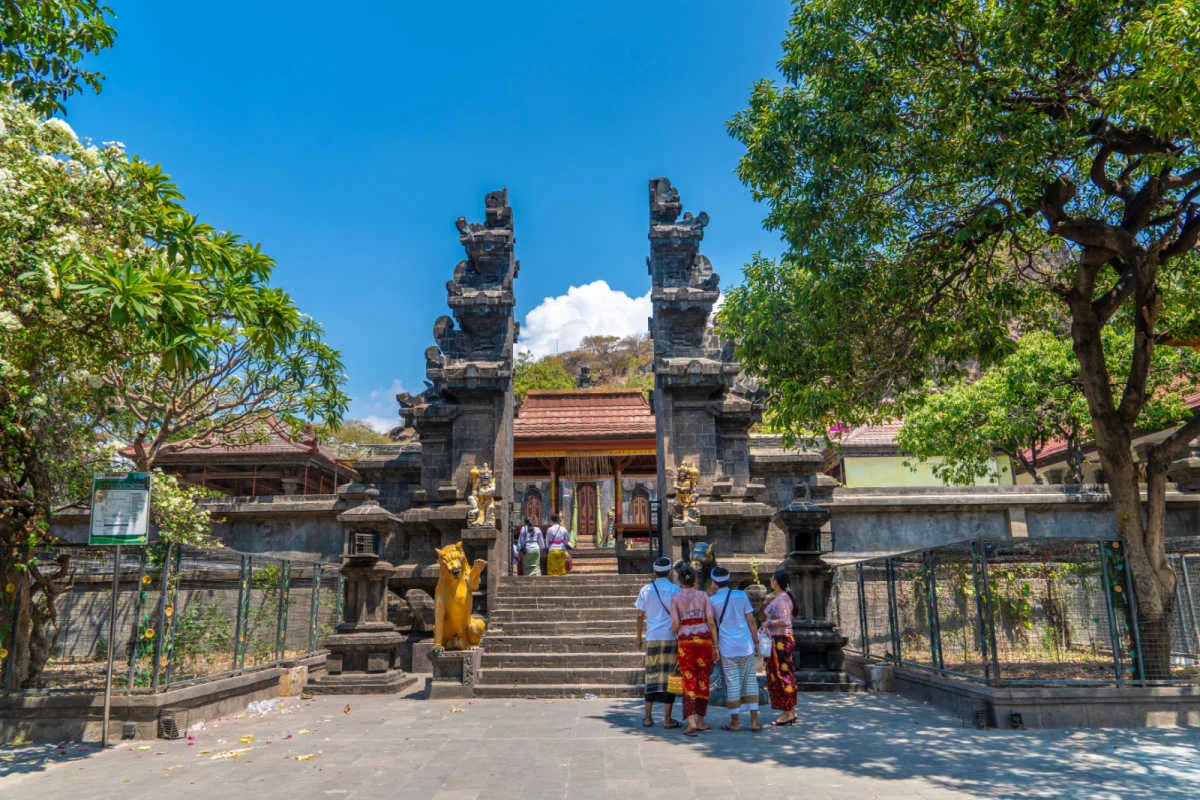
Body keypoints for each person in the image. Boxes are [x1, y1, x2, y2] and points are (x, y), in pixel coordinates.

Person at [710, 566, 761, 732]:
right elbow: (751, 621)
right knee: (750, 681)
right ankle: (754, 722)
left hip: (727, 647)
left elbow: (712, 626)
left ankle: (735, 722)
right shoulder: (741, 596)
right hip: (746, 645)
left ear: (714, 583)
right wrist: (756, 642)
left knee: (732, 683)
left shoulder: (713, 601)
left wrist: (715, 647)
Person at [669, 563, 718, 736]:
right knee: (703, 679)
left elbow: (675, 624)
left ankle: (691, 722)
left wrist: (673, 630)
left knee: (688, 680)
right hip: (704, 641)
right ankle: (701, 720)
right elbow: (711, 621)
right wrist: (716, 646)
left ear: (680, 579)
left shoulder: (675, 598)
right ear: (694, 579)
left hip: (686, 643)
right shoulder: (704, 595)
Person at [635, 556, 681, 728]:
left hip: (653, 638)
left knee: (651, 677)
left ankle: (647, 717)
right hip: (671, 638)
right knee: (672, 678)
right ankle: (667, 719)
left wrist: (638, 637)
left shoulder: (646, 590)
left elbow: (640, 615)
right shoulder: (675, 590)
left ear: (654, 571)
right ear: (669, 572)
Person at [764, 569, 798, 726]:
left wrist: (769, 623)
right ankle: (790, 710)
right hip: (779, 639)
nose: (771, 581)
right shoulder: (782, 597)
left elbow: (785, 621)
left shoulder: (782, 599)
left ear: (776, 582)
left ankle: (788, 711)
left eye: (772, 579)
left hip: (781, 640)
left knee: (782, 674)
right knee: (782, 673)